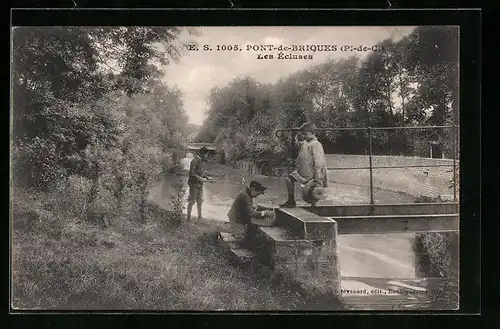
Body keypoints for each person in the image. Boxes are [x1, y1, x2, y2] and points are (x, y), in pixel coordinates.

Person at [280, 122, 328, 208]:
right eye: (302, 134)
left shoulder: (316, 145)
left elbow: (319, 162)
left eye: (305, 134)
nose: (304, 136)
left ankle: (313, 205)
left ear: (313, 133)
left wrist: (317, 178)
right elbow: (302, 155)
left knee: (313, 190)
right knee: (288, 179)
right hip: (302, 172)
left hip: (311, 173)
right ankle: (291, 201)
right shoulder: (305, 143)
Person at [227, 180, 275, 247]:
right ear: (252, 189)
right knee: (242, 240)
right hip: (236, 220)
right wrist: (265, 212)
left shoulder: (246, 192)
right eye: (257, 194)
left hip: (240, 218)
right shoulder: (244, 195)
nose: (256, 196)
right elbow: (251, 213)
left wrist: (259, 208)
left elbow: (248, 206)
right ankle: (230, 237)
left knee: (249, 236)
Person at [186, 146, 213, 221]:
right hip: (193, 184)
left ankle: (199, 218)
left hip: (200, 185)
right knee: (192, 201)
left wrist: (207, 177)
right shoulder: (194, 161)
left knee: (200, 201)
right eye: (206, 154)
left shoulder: (201, 161)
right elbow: (192, 174)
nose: (207, 156)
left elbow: (200, 173)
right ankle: (188, 218)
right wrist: (201, 179)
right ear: (202, 154)